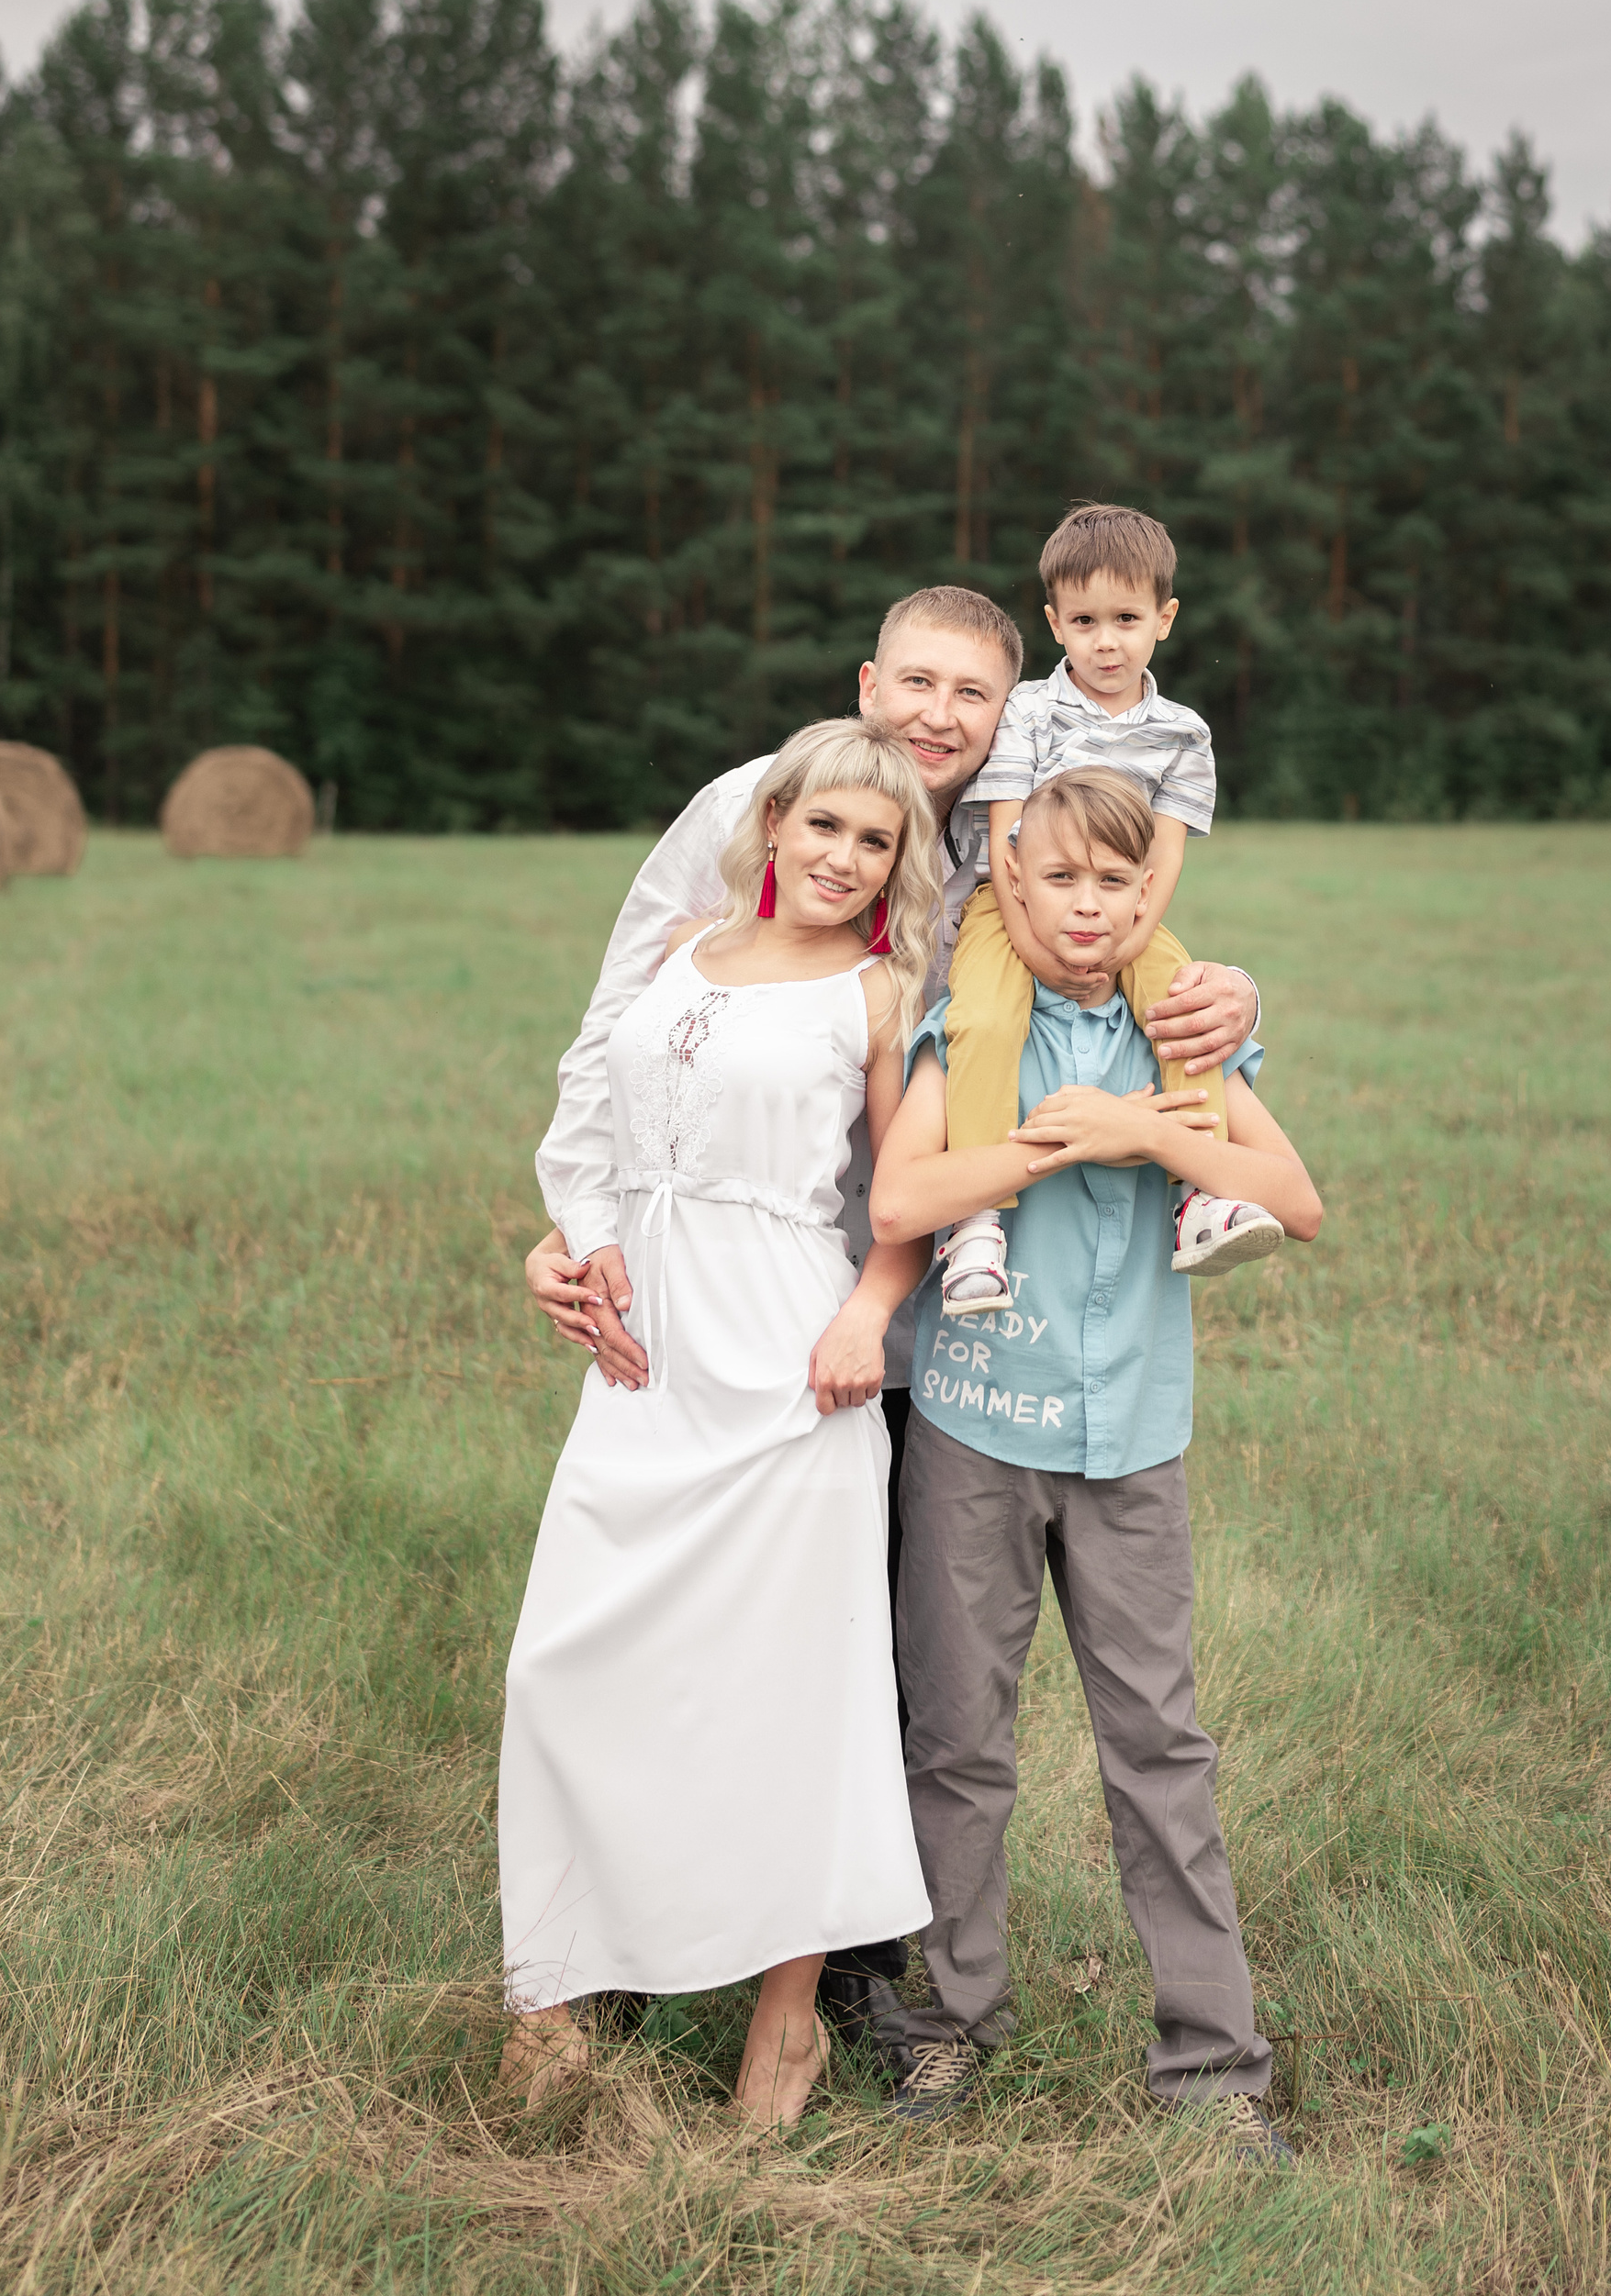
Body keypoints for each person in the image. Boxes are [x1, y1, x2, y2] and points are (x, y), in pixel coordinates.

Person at [521, 584, 1269, 2063]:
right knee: (683, 1624)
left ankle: (865, 1967)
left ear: (1010, 716)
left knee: (872, 1660)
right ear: (869, 682)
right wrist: (577, 1227)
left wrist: (1241, 1004)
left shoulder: (1010, 824)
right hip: (736, 1295)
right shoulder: (770, 806)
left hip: (939, 1324)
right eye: (915, 684)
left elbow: (1124, 938)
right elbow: (627, 1029)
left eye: (970, 698)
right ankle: (632, 1939)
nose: (937, 718)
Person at [869, 767, 1323, 2162]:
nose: (1088, 907)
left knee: (1159, 1749)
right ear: (1013, 885)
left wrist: (1140, 1130)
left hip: (1131, 1441)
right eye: (1059, 880)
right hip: (974, 1429)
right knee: (956, 1741)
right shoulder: (972, 1027)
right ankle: (945, 2030)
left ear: (1148, 900)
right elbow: (900, 1197)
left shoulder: (1183, 1041)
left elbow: (1296, 1202)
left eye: (1118, 886)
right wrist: (1032, 1155)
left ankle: (1214, 2065)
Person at [498, 719, 942, 2129]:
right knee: (565, 1666)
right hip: (645, 1364)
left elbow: (906, 1201)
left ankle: (788, 2022)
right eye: (823, 827)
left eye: (874, 842)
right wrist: (566, 1241)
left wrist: (868, 1316)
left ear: (894, 867)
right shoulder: (678, 945)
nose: (843, 856)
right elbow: (597, 1136)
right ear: (774, 827)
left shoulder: (879, 995)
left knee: (788, 1699)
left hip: (787, 1365)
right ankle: (550, 2002)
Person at [934, 502, 1283, 1319]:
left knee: (1181, 1006)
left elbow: (1163, 856)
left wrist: (1126, 943)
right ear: (1054, 621)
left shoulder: (1181, 735)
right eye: (1084, 620)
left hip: (1127, 912)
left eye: (1126, 619)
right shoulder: (1027, 709)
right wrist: (1031, 938)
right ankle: (973, 1219)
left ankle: (1201, 1190)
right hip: (1011, 900)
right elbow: (1004, 834)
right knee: (982, 1017)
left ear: (1163, 620)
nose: (1105, 641)